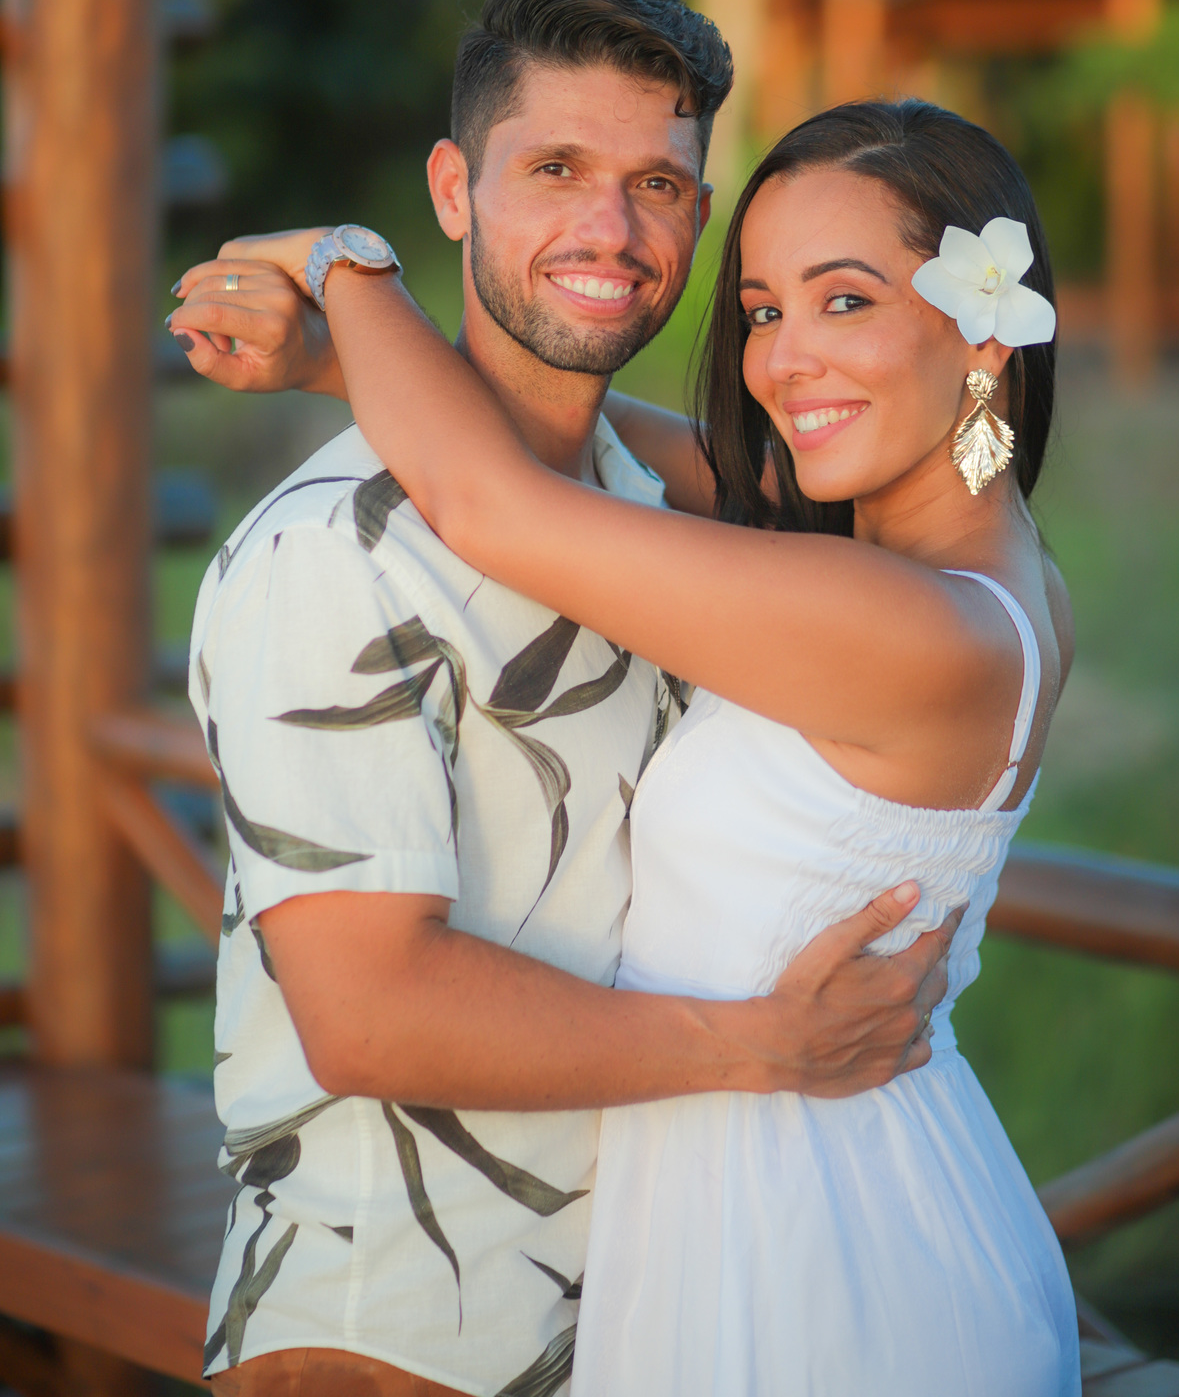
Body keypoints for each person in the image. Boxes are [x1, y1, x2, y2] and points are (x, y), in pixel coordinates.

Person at [174, 96, 1081, 1396]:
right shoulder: (951, 564)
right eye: (764, 310)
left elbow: (500, 504)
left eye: (846, 302)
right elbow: (578, 445)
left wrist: (343, 263)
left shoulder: (919, 630)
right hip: (776, 1195)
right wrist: (346, 358)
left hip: (828, 1260)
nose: (785, 364)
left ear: (983, 325)